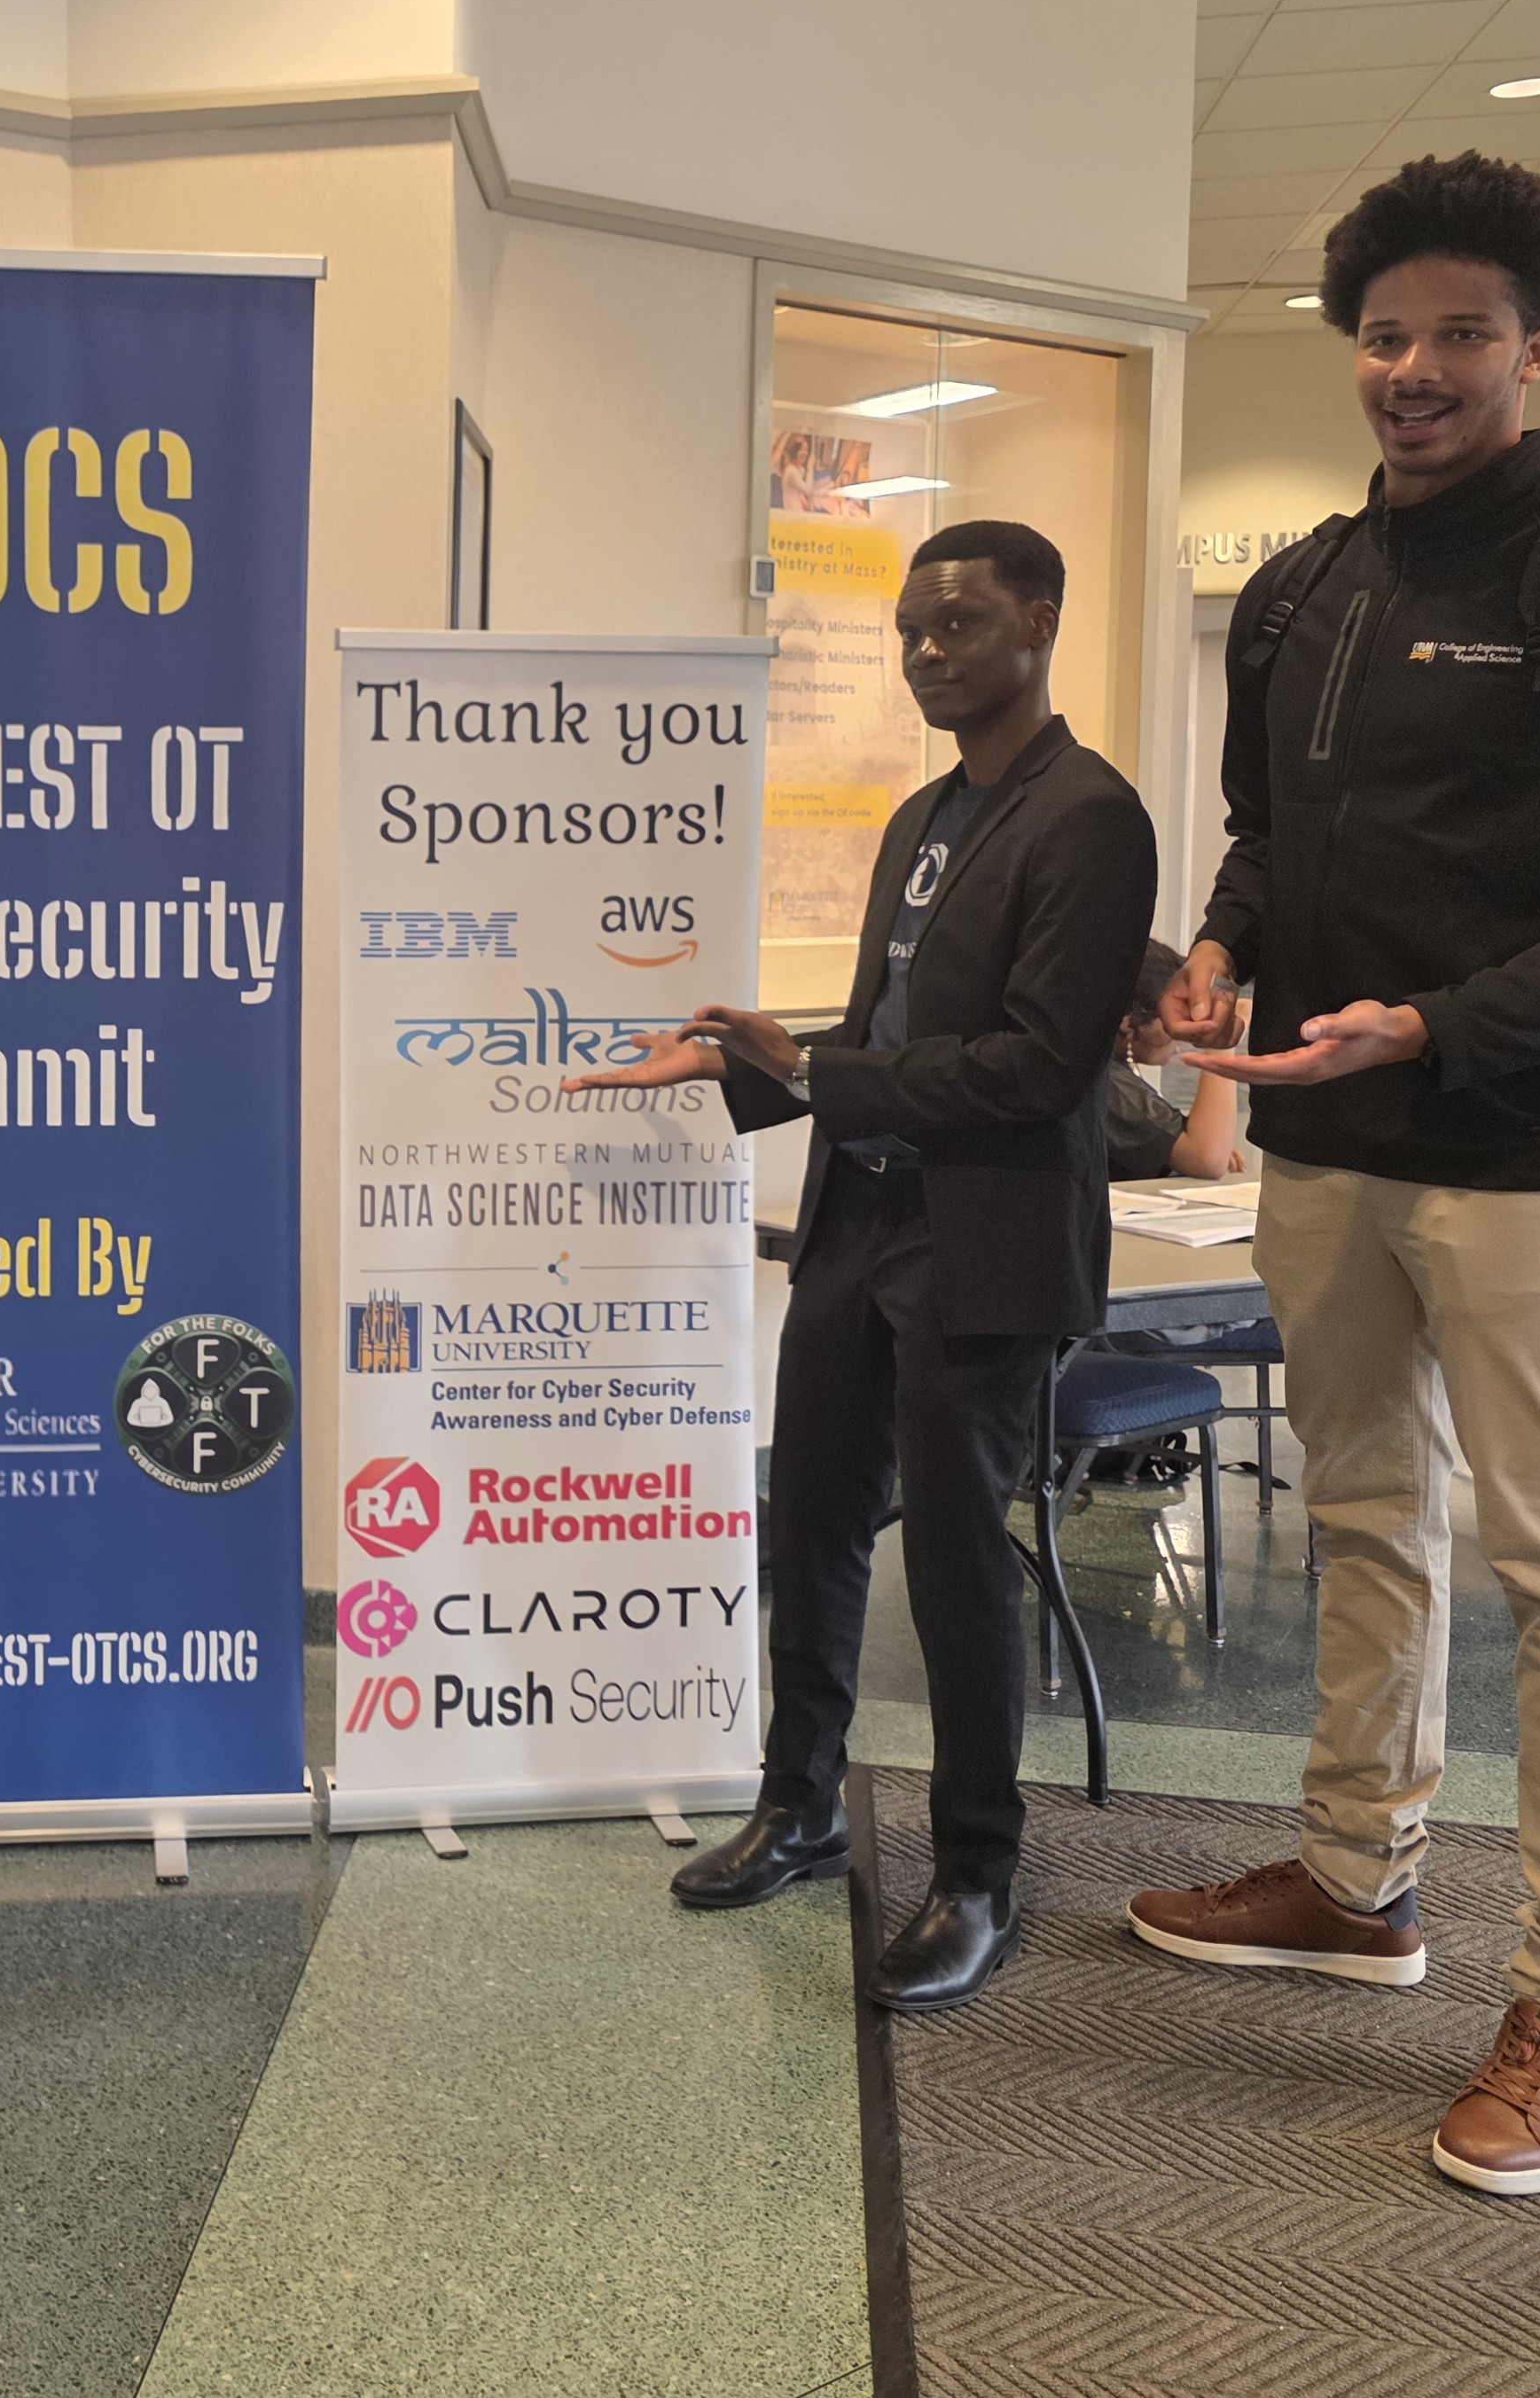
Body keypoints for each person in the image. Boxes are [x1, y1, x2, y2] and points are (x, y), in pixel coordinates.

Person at [1135, 153, 1540, 2198]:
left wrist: (1439, 1022)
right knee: (1361, 1522)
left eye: (1460, 332)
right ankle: (1353, 1878)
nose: (1413, 368)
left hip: (1526, 1152)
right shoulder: (1310, 584)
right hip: (1322, 1148)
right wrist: (1225, 945)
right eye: (1385, 333)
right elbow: (1262, 839)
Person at [569, 520, 1153, 2010]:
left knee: (958, 1563)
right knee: (813, 1520)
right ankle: (803, 1803)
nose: (925, 652)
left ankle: (976, 1875)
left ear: (1039, 621)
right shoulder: (924, 816)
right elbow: (879, 1039)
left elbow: (1035, 1067)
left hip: (986, 1243)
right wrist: (741, 1063)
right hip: (862, 1224)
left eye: (956, 623)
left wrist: (824, 1077)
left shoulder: (1090, 816)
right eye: (908, 631)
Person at [1108, 939, 1244, 1183]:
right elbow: (1207, 1159)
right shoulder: (1106, 1081)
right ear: (1128, 1023)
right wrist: (1219, 1035)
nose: (1184, 1032)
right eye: (1172, 1013)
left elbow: (1206, 1151)